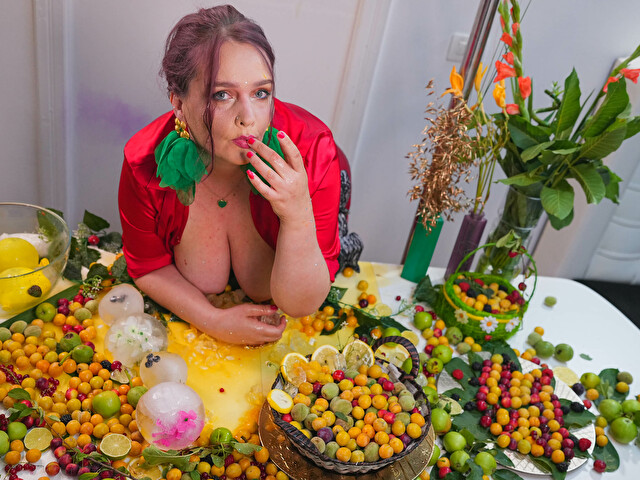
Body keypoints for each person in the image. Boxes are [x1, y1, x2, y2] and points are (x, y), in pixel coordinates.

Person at [118, 5, 341, 346]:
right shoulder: (144, 162)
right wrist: (212, 320)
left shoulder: (313, 151)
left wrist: (298, 216)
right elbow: (147, 265)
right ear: (178, 103)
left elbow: (301, 305)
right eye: (222, 95)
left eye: (261, 93)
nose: (248, 118)